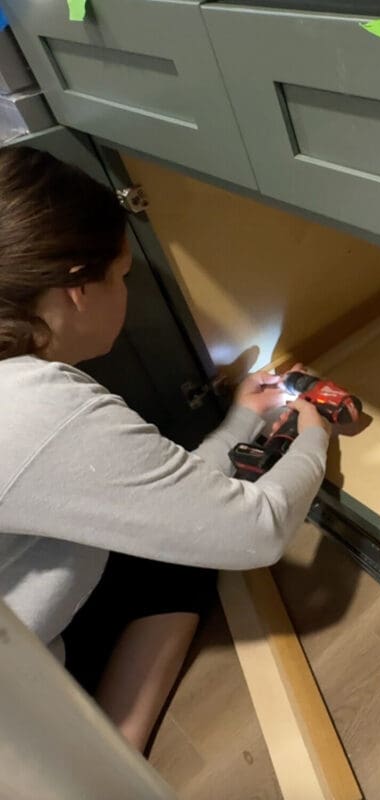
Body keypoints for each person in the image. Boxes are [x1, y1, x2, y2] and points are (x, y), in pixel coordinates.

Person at [0, 146, 331, 752]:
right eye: (122, 276)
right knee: (189, 563)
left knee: (175, 553)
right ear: (77, 288)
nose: (127, 289)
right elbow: (255, 532)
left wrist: (241, 422)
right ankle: (110, 758)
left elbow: (169, 497)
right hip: (17, 697)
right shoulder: (40, 408)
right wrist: (316, 437)